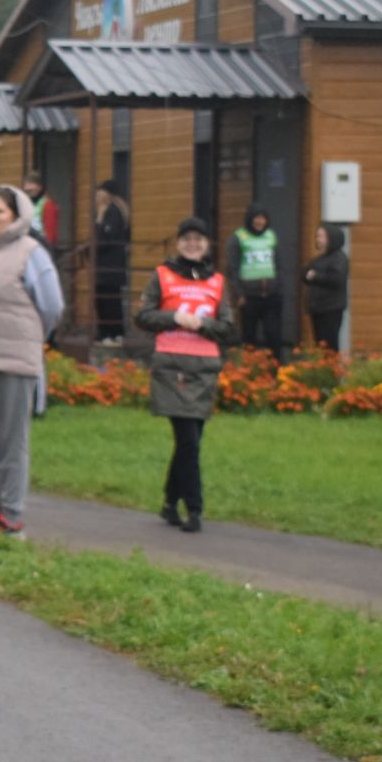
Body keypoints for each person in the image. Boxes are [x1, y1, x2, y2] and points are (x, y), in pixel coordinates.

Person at [0, 186, 65, 534]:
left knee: (10, 439)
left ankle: (12, 513)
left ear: (16, 216)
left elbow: (52, 305)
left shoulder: (30, 251)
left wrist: (29, 336)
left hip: (11, 358)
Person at [135, 217, 237, 533]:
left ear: (207, 245)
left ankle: (169, 503)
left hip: (204, 369)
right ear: (178, 244)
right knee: (188, 440)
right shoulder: (162, 276)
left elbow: (228, 328)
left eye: (199, 239)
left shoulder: (217, 282)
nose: (193, 244)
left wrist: (203, 325)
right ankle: (195, 508)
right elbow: (143, 316)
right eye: (187, 239)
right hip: (171, 368)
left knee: (190, 442)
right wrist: (174, 317)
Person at [230, 205, 282, 358]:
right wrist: (239, 294)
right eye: (257, 218)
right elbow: (232, 268)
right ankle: (249, 371)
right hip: (248, 296)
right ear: (250, 219)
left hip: (271, 294)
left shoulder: (271, 236)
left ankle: (276, 371)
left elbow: (278, 265)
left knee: (273, 335)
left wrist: (278, 286)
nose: (260, 221)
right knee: (249, 336)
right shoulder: (239, 237)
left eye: (263, 218)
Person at [92, 180, 129, 345]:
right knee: (112, 299)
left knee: (106, 300)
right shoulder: (120, 211)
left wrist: (99, 220)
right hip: (113, 265)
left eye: (99, 192)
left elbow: (103, 239)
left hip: (107, 266)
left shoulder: (111, 212)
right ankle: (115, 332)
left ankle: (108, 333)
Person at [303, 224, 349, 350]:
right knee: (320, 344)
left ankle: (331, 368)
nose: (318, 239)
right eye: (317, 236)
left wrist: (316, 276)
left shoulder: (339, 258)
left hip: (330, 308)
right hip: (317, 308)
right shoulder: (318, 259)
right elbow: (305, 274)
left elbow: (336, 279)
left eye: (322, 236)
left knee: (330, 344)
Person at [23, 172, 60, 248]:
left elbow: (50, 234)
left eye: (31, 184)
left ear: (39, 187)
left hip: (42, 247)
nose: (27, 188)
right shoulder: (27, 205)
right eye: (26, 185)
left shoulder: (48, 204)